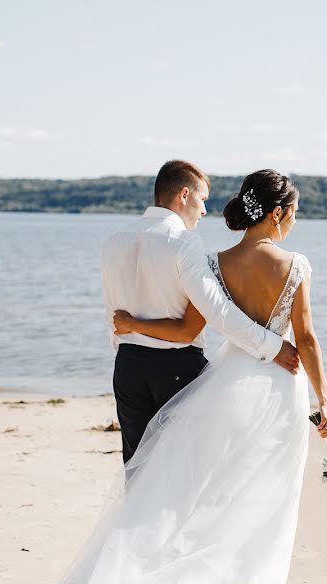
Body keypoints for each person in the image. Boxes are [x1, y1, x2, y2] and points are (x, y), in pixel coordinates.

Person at [48, 169, 327, 584]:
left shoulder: (214, 262)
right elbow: (307, 338)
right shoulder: (294, 265)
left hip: (224, 383)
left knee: (195, 477)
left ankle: (172, 569)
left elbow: (190, 326)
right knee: (266, 485)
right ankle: (244, 583)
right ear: (278, 213)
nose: (294, 221)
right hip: (278, 385)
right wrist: (326, 400)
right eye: (293, 213)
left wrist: (130, 325)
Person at [99, 159, 301, 466]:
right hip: (175, 369)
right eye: (202, 200)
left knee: (138, 471)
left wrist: (129, 340)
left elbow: (113, 317)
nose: (204, 211)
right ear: (183, 195)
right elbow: (218, 310)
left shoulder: (113, 242)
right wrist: (272, 347)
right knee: (186, 472)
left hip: (127, 368)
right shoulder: (184, 243)